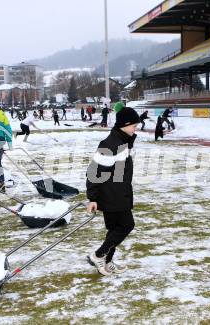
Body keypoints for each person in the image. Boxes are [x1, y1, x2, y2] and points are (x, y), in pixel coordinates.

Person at [86, 106, 140, 276]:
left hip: (118, 192)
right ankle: (98, 255)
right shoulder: (111, 144)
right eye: (134, 125)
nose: (136, 128)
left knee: (114, 229)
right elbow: (94, 172)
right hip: (111, 195)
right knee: (126, 225)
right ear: (125, 124)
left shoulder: (123, 141)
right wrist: (92, 198)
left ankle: (107, 262)